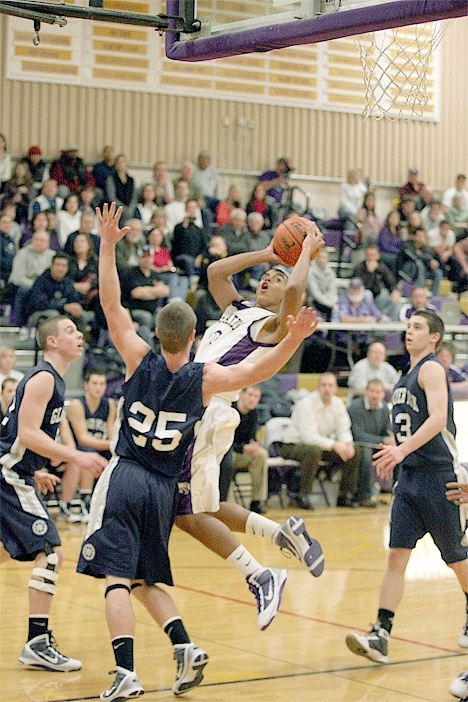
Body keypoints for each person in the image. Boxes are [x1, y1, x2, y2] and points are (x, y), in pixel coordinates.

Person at [77, 203, 320, 700]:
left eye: (275, 276)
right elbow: (213, 272)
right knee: (189, 511)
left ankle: (261, 575)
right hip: (193, 399)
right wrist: (269, 252)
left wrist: (304, 260)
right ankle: (276, 541)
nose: (267, 279)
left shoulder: (269, 326)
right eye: (267, 275)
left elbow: (292, 298)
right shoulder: (238, 311)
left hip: (204, 409)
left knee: (186, 515)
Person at [345, 310, 468, 664]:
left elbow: (438, 419)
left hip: (438, 476)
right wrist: (395, 448)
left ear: (434, 337)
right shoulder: (404, 376)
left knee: (456, 558)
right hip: (410, 477)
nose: (408, 331)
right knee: (396, 556)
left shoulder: (431, 368)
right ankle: (381, 633)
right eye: (408, 326)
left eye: (417, 327)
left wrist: (401, 449)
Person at [0, 316, 107, 672]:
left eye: (78, 331)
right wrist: (75, 455)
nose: (78, 335)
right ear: (50, 343)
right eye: (69, 331)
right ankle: (37, 642)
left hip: (16, 470)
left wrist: (37, 468)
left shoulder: (52, 380)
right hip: (8, 474)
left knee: (3, 552)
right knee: (51, 552)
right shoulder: (45, 378)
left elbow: (19, 435)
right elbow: (28, 433)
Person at [279, 372, 360, 509]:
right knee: (313, 451)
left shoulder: (338, 404)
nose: (327, 389)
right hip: (292, 445)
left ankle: (344, 495)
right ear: (318, 387)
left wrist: (347, 444)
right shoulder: (306, 404)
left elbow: (344, 430)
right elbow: (308, 436)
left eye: (330, 385)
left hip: (319, 445)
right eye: (323, 385)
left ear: (335, 389)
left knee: (355, 451)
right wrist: (334, 445)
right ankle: (302, 496)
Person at [66, 370, 116, 517]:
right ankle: (85, 499)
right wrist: (110, 445)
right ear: (86, 385)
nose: (98, 387)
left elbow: (111, 432)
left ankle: (111, 503)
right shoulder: (77, 404)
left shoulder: (110, 405)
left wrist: (114, 447)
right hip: (79, 449)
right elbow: (83, 438)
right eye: (94, 383)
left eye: (102, 384)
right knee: (89, 453)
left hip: (102, 447)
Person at [348, 379, 394, 507]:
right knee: (365, 453)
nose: (375, 395)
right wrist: (383, 441)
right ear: (366, 392)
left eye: (378, 392)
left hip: (377, 445)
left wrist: (391, 440)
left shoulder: (384, 408)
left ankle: (396, 493)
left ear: (383, 394)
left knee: (397, 453)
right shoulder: (355, 408)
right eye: (372, 391)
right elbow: (358, 435)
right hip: (357, 445)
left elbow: (387, 431)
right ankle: (364, 496)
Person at [228, 385, 269, 514]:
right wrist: (244, 448)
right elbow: (223, 443)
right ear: (241, 394)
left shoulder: (253, 414)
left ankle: (257, 501)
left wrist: (254, 445)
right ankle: (226, 503)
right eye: (250, 395)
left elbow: (251, 438)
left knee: (261, 455)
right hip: (227, 452)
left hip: (241, 453)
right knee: (229, 458)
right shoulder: (230, 411)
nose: (253, 399)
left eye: (256, 396)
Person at [8, 229, 55, 327]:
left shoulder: (52, 256)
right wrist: (35, 286)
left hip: (45, 287)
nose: (38, 243)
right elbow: (17, 277)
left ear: (48, 243)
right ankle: (20, 324)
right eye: (36, 240)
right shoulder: (23, 253)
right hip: (26, 285)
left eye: (42, 240)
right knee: (24, 291)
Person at [105, 154, 137, 225]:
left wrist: (130, 208)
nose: (121, 164)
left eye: (123, 162)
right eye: (118, 162)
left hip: (130, 208)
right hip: (116, 207)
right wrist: (123, 208)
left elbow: (134, 197)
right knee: (123, 214)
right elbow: (111, 197)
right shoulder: (111, 179)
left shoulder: (131, 180)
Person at [307, 248, 338, 321]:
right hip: (313, 302)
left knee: (336, 310)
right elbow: (315, 293)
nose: (321, 260)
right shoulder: (310, 272)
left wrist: (331, 303)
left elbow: (333, 291)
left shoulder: (331, 273)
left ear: (328, 259)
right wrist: (329, 304)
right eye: (320, 257)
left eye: (324, 258)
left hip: (328, 302)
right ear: (316, 258)